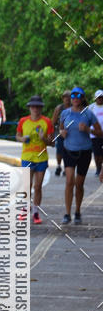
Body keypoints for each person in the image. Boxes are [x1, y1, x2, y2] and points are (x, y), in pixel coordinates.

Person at [59, 86, 102, 224]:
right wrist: (62, 133)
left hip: (84, 151)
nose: (75, 99)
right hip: (69, 150)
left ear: (83, 98)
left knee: (79, 184)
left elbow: (100, 133)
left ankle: (77, 211)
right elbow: (60, 128)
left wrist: (88, 129)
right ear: (70, 99)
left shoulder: (88, 114)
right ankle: (67, 213)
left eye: (78, 96)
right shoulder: (65, 113)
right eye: (73, 96)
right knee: (69, 181)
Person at [16, 96, 54, 225]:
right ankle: (25, 209)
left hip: (41, 158)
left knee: (38, 186)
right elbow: (17, 136)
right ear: (30, 108)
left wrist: (44, 138)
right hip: (27, 158)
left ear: (41, 108)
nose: (35, 109)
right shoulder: (23, 121)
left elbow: (52, 142)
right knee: (27, 186)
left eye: (38, 107)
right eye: (33, 107)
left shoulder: (47, 122)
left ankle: (36, 212)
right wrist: (22, 139)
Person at [52, 90, 71, 176]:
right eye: (65, 97)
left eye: (69, 96)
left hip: (71, 133)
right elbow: (54, 122)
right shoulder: (59, 108)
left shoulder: (74, 108)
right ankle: (59, 166)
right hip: (60, 132)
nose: (67, 98)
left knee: (69, 151)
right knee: (59, 150)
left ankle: (67, 167)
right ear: (63, 98)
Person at [88, 89, 103, 177]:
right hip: (94, 134)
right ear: (95, 98)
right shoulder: (91, 107)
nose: (100, 99)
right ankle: (98, 167)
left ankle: (101, 169)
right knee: (97, 154)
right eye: (98, 97)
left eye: (101, 97)